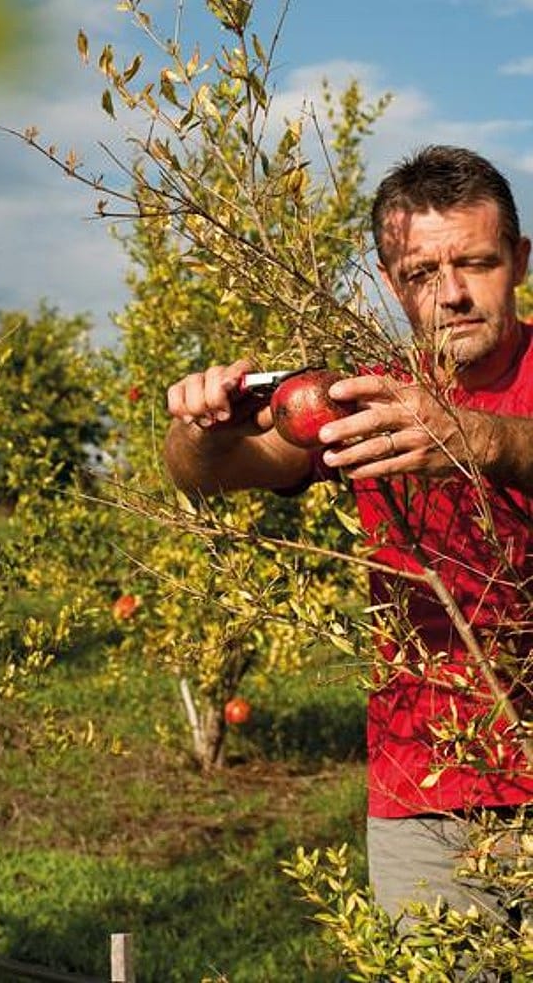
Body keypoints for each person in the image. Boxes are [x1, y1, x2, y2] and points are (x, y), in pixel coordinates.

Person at [164, 145, 533, 936]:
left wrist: (480, 440)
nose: (454, 294)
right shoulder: (369, 396)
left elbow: (504, 443)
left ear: (520, 260)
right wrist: (201, 429)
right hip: (423, 790)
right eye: (422, 275)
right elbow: (208, 476)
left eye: (476, 262)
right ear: (390, 282)